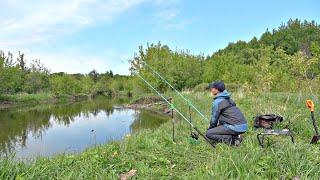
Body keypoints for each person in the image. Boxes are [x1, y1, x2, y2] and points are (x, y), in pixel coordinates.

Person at [205, 81, 248, 146]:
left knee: (208, 133)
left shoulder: (217, 102)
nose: (211, 89)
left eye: (212, 88)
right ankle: (236, 136)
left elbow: (214, 119)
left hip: (236, 126)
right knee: (219, 127)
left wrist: (211, 128)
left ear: (217, 90)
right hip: (243, 125)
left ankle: (234, 140)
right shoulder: (228, 99)